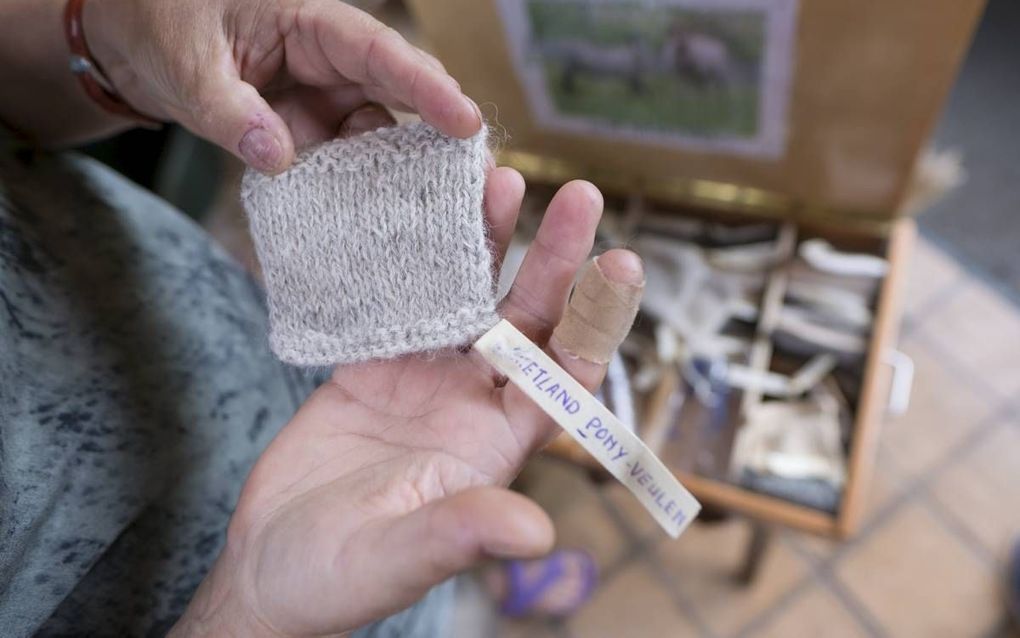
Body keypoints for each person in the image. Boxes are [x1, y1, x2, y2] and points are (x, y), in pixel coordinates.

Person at [0, 0, 642, 635]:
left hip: (336, 391)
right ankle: (469, 597)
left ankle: (473, 588)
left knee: (449, 542)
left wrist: (111, 39)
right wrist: (246, 613)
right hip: (281, 571)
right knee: (441, 556)